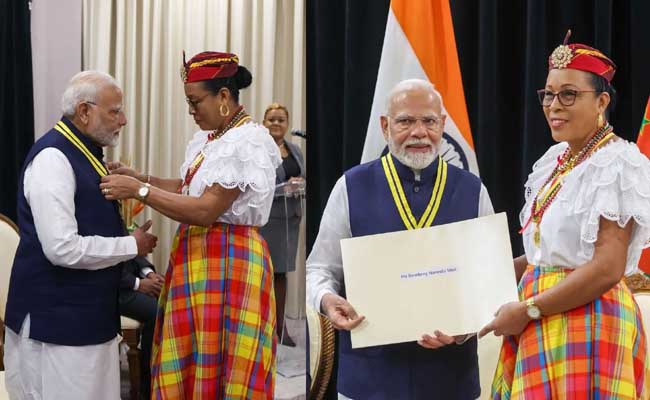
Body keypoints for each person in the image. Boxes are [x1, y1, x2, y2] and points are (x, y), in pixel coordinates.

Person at [479, 32, 650, 399]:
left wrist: (528, 310)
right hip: (543, 316)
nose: (554, 105)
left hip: (588, 322)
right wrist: (469, 282)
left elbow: (607, 267)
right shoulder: (557, 161)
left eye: (569, 94)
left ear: (602, 101)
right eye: (548, 94)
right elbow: (547, 254)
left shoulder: (618, 163)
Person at [101, 51, 281, 399]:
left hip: (231, 262)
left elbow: (206, 209)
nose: (191, 110)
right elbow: (189, 188)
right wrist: (142, 177)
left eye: (196, 101)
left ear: (224, 97)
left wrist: (139, 190)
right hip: (200, 259)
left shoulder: (247, 140)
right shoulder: (212, 138)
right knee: (194, 357)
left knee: (225, 362)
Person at [306, 79, 494, 399]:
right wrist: (326, 299)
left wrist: (464, 330)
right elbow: (318, 269)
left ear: (443, 125)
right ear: (385, 125)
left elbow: (490, 279)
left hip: (450, 379)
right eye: (406, 121)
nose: (419, 132)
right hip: (368, 379)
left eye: (429, 121)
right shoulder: (350, 186)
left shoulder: (473, 190)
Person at [3, 71, 158, 400]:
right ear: (85, 112)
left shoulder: (85, 154)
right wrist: (133, 245)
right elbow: (62, 248)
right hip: (57, 324)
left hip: (85, 317)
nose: (124, 119)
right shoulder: (53, 159)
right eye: (115, 111)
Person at [260, 102, 305, 347]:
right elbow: (259, 187)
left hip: (291, 219)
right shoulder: (260, 152)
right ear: (264, 123)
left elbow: (303, 175)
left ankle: (280, 328)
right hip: (269, 221)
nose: (276, 124)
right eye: (271, 120)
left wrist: (299, 183)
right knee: (266, 274)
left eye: (280, 120)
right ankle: (264, 329)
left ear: (287, 124)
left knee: (282, 274)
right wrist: (282, 189)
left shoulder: (295, 150)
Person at [119, 256, 164, 399]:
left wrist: (149, 274)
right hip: (115, 291)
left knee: (165, 293)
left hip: (128, 281)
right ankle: (147, 384)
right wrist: (138, 284)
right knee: (157, 312)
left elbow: (131, 250)